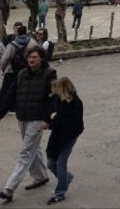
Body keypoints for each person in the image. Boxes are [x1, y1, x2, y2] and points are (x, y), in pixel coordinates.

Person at [0, 44, 57, 202]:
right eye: (29, 57)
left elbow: (54, 97)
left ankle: (9, 188)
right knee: (34, 147)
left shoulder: (50, 73)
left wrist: (47, 119)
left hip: (38, 118)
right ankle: (41, 176)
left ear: (41, 58)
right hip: (22, 117)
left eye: (34, 57)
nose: (31, 60)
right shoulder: (21, 73)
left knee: (26, 151)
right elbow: (11, 94)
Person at [45, 76, 83, 205]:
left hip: (68, 137)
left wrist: (55, 118)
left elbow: (71, 123)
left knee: (61, 164)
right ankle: (67, 178)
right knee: (51, 163)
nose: (54, 91)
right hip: (57, 135)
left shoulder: (75, 103)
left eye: (56, 88)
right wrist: (49, 120)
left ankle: (60, 193)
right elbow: (51, 113)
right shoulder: (58, 99)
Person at [0, 24, 32, 116]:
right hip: (26, 71)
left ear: (17, 33)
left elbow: (4, 59)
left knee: (6, 90)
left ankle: (2, 107)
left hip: (11, 71)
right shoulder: (32, 43)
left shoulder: (12, 44)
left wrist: (2, 69)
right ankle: (17, 107)